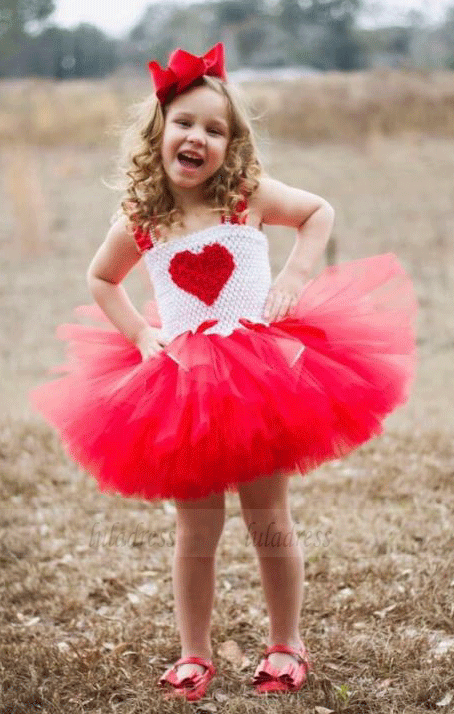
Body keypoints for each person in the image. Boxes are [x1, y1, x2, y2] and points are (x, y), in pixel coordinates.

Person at [29, 42, 417, 701]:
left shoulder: (246, 196)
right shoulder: (144, 218)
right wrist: (142, 334)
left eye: (215, 129)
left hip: (259, 378)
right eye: (185, 123)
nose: (197, 137)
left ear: (232, 146)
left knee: (268, 516)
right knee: (196, 529)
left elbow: (318, 211)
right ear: (159, 133)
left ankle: (286, 643)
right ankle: (194, 653)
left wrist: (295, 274)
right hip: (180, 387)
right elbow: (100, 278)